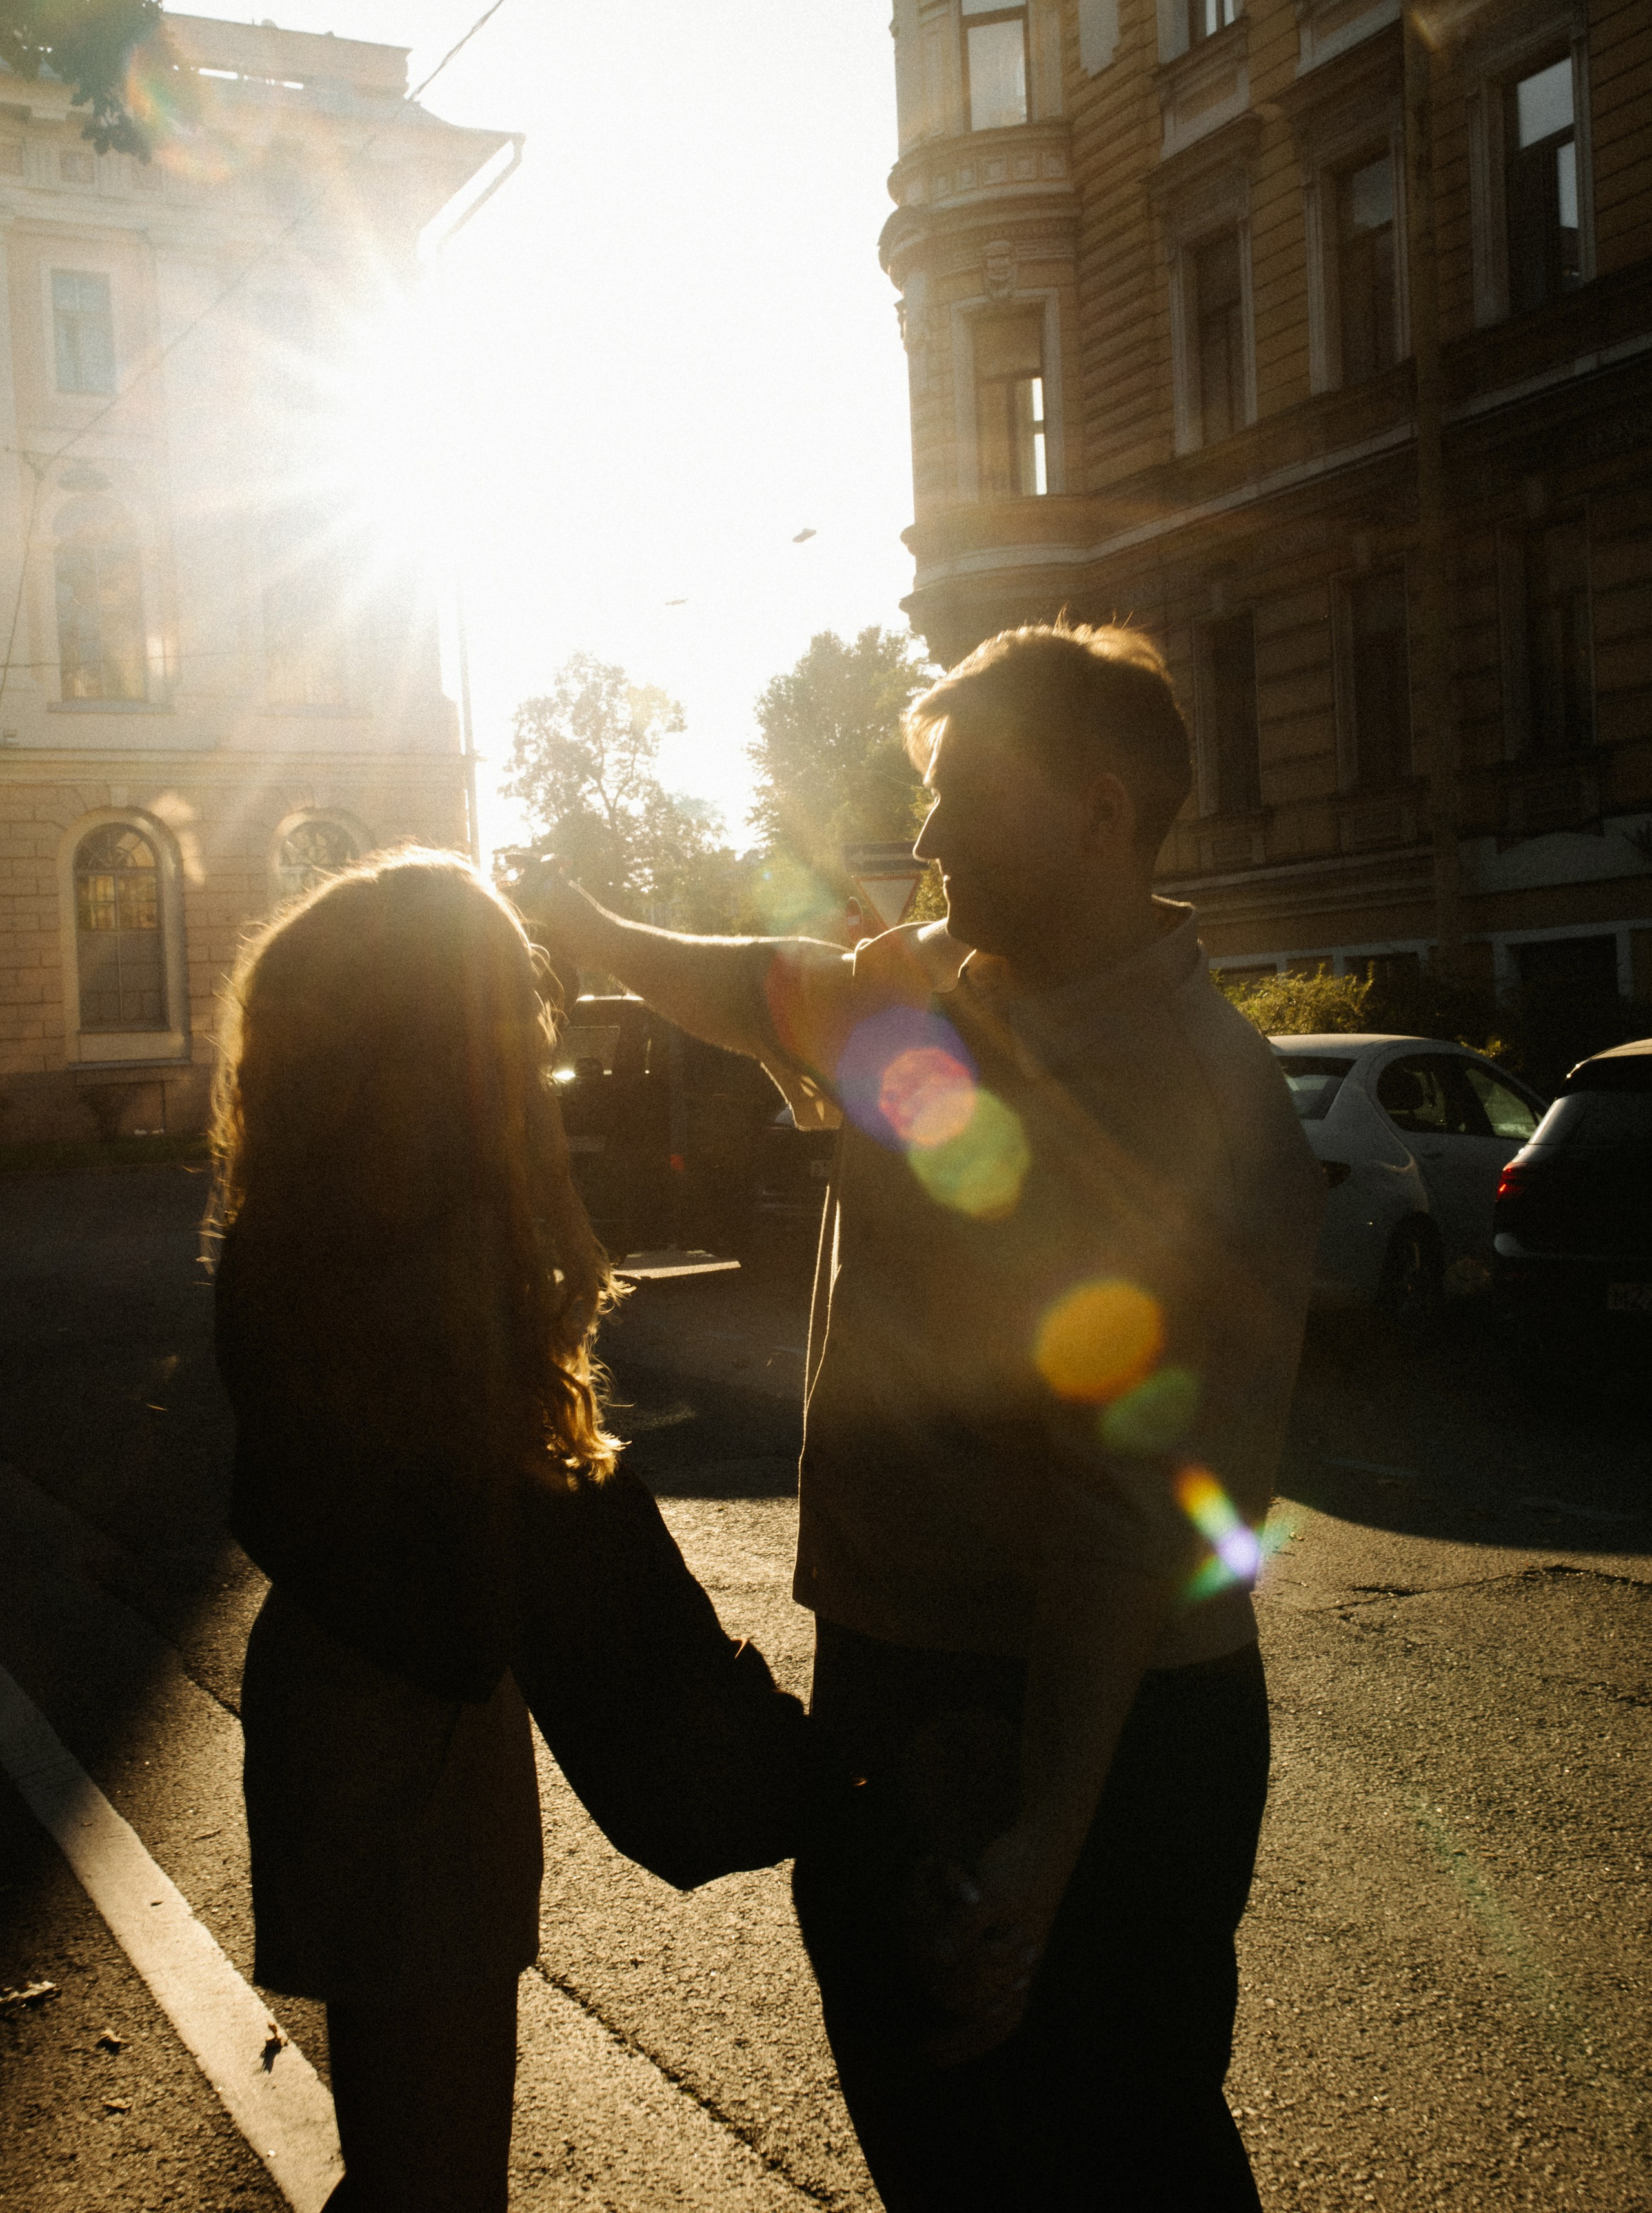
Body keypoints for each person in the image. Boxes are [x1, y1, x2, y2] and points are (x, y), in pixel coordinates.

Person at [518, 621, 1324, 2212]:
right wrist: (585, 926)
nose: (928, 833)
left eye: (961, 794)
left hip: (1078, 1720)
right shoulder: (939, 985)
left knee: (1108, 2145)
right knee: (930, 2123)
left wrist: (1038, 1843)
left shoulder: (1182, 1090)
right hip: (901, 1680)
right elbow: (759, 994)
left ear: (1099, 814)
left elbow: (1127, 1511)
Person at [211, 851, 809, 2213]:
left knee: (408, 2159)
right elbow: (549, 1541)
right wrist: (779, 1768)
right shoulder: (424, 1238)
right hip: (402, 1726)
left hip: (348, 1695)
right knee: (434, 2174)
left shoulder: (307, 1216)